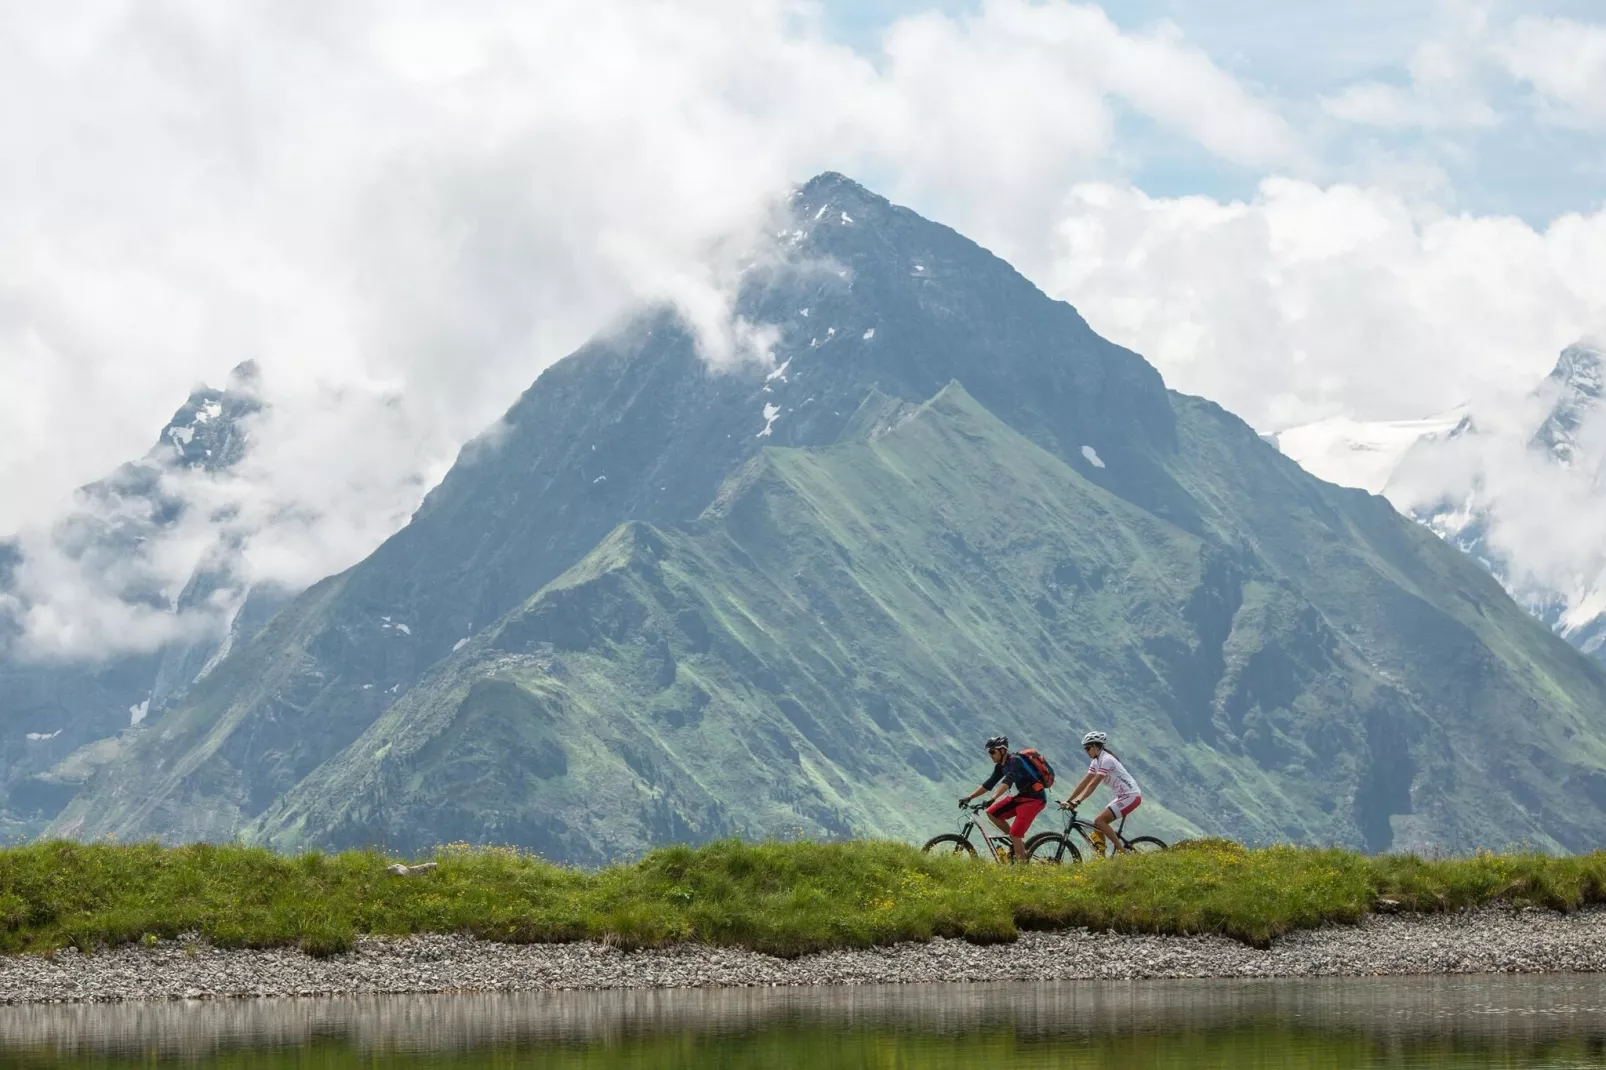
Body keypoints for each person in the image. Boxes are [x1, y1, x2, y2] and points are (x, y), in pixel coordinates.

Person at [958, 735, 1046, 863]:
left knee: (1015, 834)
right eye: (989, 752)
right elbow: (989, 783)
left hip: (1035, 799)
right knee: (992, 812)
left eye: (993, 751)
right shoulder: (1000, 766)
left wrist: (993, 798)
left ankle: (1022, 870)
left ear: (1002, 750)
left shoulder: (1016, 761)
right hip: (1022, 797)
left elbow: (1007, 782)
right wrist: (969, 797)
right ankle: (1017, 845)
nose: (990, 755)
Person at [1062, 731, 1141, 857]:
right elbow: (1084, 782)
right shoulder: (1096, 761)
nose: (1086, 751)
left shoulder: (1106, 760)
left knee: (1099, 821)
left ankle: (1123, 853)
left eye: (1087, 748)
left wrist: (1077, 802)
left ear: (1095, 746)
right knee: (1097, 824)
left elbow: (1093, 784)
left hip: (1131, 796)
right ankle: (1101, 858)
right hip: (1122, 796)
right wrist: (1068, 800)